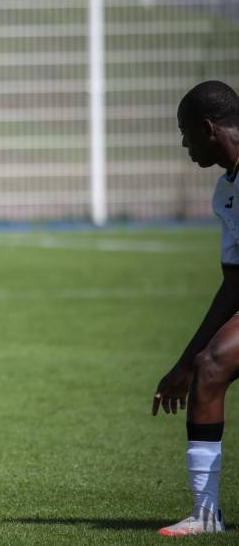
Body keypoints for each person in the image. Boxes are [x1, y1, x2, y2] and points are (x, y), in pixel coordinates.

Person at [152, 80, 239, 536]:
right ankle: (206, 515)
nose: (184, 144)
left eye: (186, 133)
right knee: (212, 365)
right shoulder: (227, 193)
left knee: (211, 363)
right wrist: (186, 362)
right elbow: (233, 286)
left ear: (208, 129)